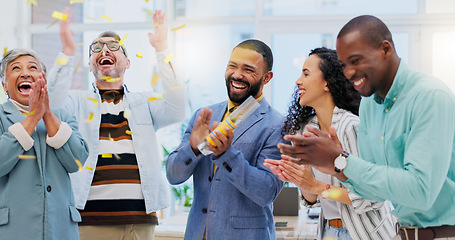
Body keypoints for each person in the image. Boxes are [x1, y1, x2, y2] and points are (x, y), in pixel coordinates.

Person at [277, 15, 455, 240]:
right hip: (400, 233)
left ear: (385, 49)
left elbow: (420, 191)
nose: (349, 73)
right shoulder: (370, 106)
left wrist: (339, 163)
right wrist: (335, 168)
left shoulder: (429, 96)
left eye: (356, 60)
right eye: (344, 65)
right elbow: (373, 190)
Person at [46, 8, 186, 240]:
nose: (104, 50)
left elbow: (177, 106)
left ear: (127, 62)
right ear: (90, 65)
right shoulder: (77, 101)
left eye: (113, 47)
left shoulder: (144, 102)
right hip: (91, 221)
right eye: (97, 48)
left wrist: (162, 49)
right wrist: (68, 52)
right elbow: (50, 103)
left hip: (141, 219)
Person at [264, 47, 396, 240]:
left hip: (366, 233)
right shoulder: (306, 130)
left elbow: (372, 197)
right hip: (329, 231)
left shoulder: (351, 127)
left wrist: (318, 186)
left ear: (327, 83)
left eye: (306, 74)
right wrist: (301, 180)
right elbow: (311, 199)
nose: (298, 81)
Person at [166, 39, 284, 240]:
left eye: (248, 69)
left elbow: (266, 192)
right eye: (232, 66)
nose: (237, 75)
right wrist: (194, 149)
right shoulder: (204, 116)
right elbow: (173, 175)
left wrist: (226, 155)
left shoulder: (277, 125)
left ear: (266, 78)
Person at [0, 48, 89, 239]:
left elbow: (77, 161)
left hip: (60, 229)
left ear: (43, 81)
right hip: (13, 230)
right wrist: (32, 118)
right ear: (4, 85)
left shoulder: (62, 116)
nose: (25, 73)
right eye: (16, 68)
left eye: (33, 67)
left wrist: (47, 114)